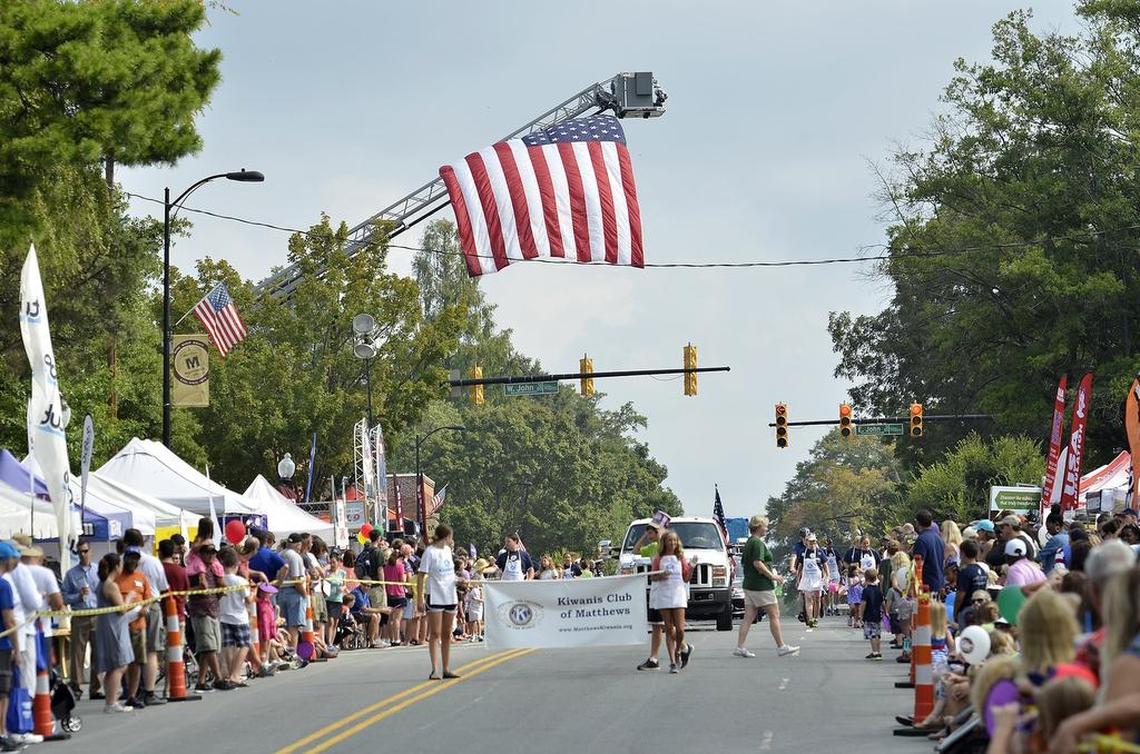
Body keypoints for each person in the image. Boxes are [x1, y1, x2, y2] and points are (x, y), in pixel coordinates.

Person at [735, 515, 798, 658]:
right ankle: (781, 646)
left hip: (749, 584)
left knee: (749, 616)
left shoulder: (750, 542)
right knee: (774, 614)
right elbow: (758, 563)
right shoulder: (757, 543)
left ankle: (740, 646)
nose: (767, 529)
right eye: (765, 526)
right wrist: (773, 576)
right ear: (758, 527)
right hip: (761, 585)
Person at [123, 528, 169, 705]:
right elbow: (163, 586)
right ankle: (149, 691)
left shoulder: (120, 560)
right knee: (151, 650)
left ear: (125, 542)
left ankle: (131, 692)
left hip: (127, 607)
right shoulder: (152, 561)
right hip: (151, 605)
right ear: (142, 542)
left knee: (130, 651)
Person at [416, 524, 461, 680]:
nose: (452, 540)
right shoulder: (430, 552)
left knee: (447, 634)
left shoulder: (448, 551)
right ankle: (435, 669)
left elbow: (450, 574)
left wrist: (459, 580)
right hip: (435, 595)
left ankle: (446, 668)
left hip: (450, 595)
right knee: (435, 633)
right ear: (447, 536)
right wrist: (420, 598)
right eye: (451, 536)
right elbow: (421, 575)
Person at [94, 553, 136, 714]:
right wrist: (130, 598)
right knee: (119, 664)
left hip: (108, 624)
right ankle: (111, 701)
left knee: (116, 664)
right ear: (116, 566)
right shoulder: (111, 585)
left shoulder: (102, 584)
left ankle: (111, 699)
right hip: (114, 626)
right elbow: (122, 608)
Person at [61, 538, 101, 700]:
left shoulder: (98, 570)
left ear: (91, 551)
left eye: (85, 551)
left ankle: (95, 688)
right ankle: (76, 687)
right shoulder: (71, 574)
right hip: (80, 615)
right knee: (77, 652)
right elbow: (64, 597)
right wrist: (78, 596)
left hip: (98, 614)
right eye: (80, 552)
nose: (83, 554)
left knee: (98, 653)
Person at [186, 543, 225, 693]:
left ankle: (201, 682)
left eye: (213, 552)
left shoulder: (213, 567)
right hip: (201, 611)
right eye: (208, 553)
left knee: (207, 648)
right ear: (200, 554)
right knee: (209, 647)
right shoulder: (195, 568)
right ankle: (219, 678)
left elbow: (221, 587)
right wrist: (199, 588)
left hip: (213, 609)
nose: (211, 555)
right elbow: (186, 589)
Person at [651, 531, 692, 674]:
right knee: (668, 628)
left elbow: (686, 578)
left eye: (675, 541)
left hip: (678, 594)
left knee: (680, 629)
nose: (672, 543)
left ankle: (679, 648)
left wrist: (691, 567)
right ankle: (673, 662)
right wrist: (661, 575)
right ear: (665, 542)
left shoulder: (680, 557)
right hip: (664, 594)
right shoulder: (659, 558)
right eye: (669, 541)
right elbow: (653, 577)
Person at [115, 549, 151, 708]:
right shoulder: (116, 578)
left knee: (137, 661)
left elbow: (148, 599)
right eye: (130, 558)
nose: (133, 562)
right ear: (125, 558)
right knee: (122, 662)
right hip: (121, 625)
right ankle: (121, 691)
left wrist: (145, 609)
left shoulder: (142, 578)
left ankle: (132, 695)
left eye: (136, 559)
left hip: (138, 625)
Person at [633, 520, 667, 671]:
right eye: (648, 532)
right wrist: (643, 536)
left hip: (665, 589)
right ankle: (654, 658)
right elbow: (635, 551)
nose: (649, 534)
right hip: (655, 588)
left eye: (651, 532)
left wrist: (659, 531)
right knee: (657, 625)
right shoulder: (652, 547)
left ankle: (683, 648)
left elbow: (662, 546)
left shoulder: (664, 547)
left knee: (666, 624)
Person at [218, 547, 252, 688]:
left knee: (228, 646)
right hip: (239, 616)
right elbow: (249, 599)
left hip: (224, 615)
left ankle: (230, 674)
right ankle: (235, 674)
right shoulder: (240, 581)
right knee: (244, 645)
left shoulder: (219, 580)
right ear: (236, 565)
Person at [0, 543, 22, 750]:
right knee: (2, 691)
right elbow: (9, 620)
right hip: (2, 644)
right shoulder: (3, 585)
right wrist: (17, 647)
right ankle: (1, 733)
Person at [278, 534, 307, 648]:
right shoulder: (295, 556)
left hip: (281, 592)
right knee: (293, 626)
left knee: (283, 625)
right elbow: (296, 579)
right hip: (293, 593)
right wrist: (304, 594)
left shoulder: (280, 554)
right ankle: (292, 653)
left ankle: (284, 652)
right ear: (298, 544)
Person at [796, 533, 827, 628]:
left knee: (817, 600)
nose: (812, 543)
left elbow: (825, 566)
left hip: (817, 580)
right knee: (808, 599)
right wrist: (798, 579)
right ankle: (810, 619)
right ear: (806, 542)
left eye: (814, 541)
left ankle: (815, 618)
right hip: (807, 579)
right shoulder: (803, 553)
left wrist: (826, 576)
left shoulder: (820, 552)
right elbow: (800, 567)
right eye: (810, 541)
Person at [953, 539, 989, 622]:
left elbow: (960, 596)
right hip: (980, 610)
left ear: (962, 553)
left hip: (967, 612)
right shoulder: (982, 571)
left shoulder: (965, 573)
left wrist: (955, 613)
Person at [911, 509, 945, 592]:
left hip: (926, 586)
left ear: (917, 523)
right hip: (939, 583)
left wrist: (915, 588)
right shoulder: (939, 538)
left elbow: (918, 565)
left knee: (926, 605)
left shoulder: (921, 540)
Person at [382, 549, 407, 647]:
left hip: (389, 594)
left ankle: (391, 638)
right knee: (397, 619)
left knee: (391, 619)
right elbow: (402, 580)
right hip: (399, 594)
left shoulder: (386, 567)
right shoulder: (400, 566)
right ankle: (397, 638)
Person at [861, 567, 885, 660]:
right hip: (877, 614)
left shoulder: (866, 590)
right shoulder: (878, 590)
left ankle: (875, 652)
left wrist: (861, 614)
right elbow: (882, 602)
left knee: (872, 635)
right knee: (877, 634)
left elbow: (863, 603)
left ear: (866, 578)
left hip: (869, 614)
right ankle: (878, 651)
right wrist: (885, 611)